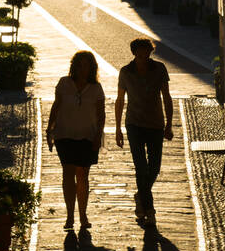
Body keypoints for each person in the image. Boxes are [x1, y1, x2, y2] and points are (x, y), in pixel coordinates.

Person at [115, 38, 173, 225]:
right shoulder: (126, 72)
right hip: (134, 124)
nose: (142, 57)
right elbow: (120, 100)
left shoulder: (159, 69)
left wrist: (169, 124)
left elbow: (166, 96)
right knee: (141, 167)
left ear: (150, 52)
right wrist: (117, 128)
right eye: (139, 53)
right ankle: (149, 210)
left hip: (156, 123)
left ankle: (140, 196)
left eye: (146, 53)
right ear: (134, 53)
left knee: (154, 167)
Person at [46, 50, 105, 232]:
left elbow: (101, 114)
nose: (83, 68)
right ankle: (70, 215)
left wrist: (98, 136)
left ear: (92, 67)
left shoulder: (96, 88)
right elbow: (56, 107)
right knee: (67, 173)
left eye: (87, 65)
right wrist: (49, 130)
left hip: (87, 136)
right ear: (74, 66)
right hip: (64, 134)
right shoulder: (64, 83)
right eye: (80, 65)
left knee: (82, 175)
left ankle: (83, 214)